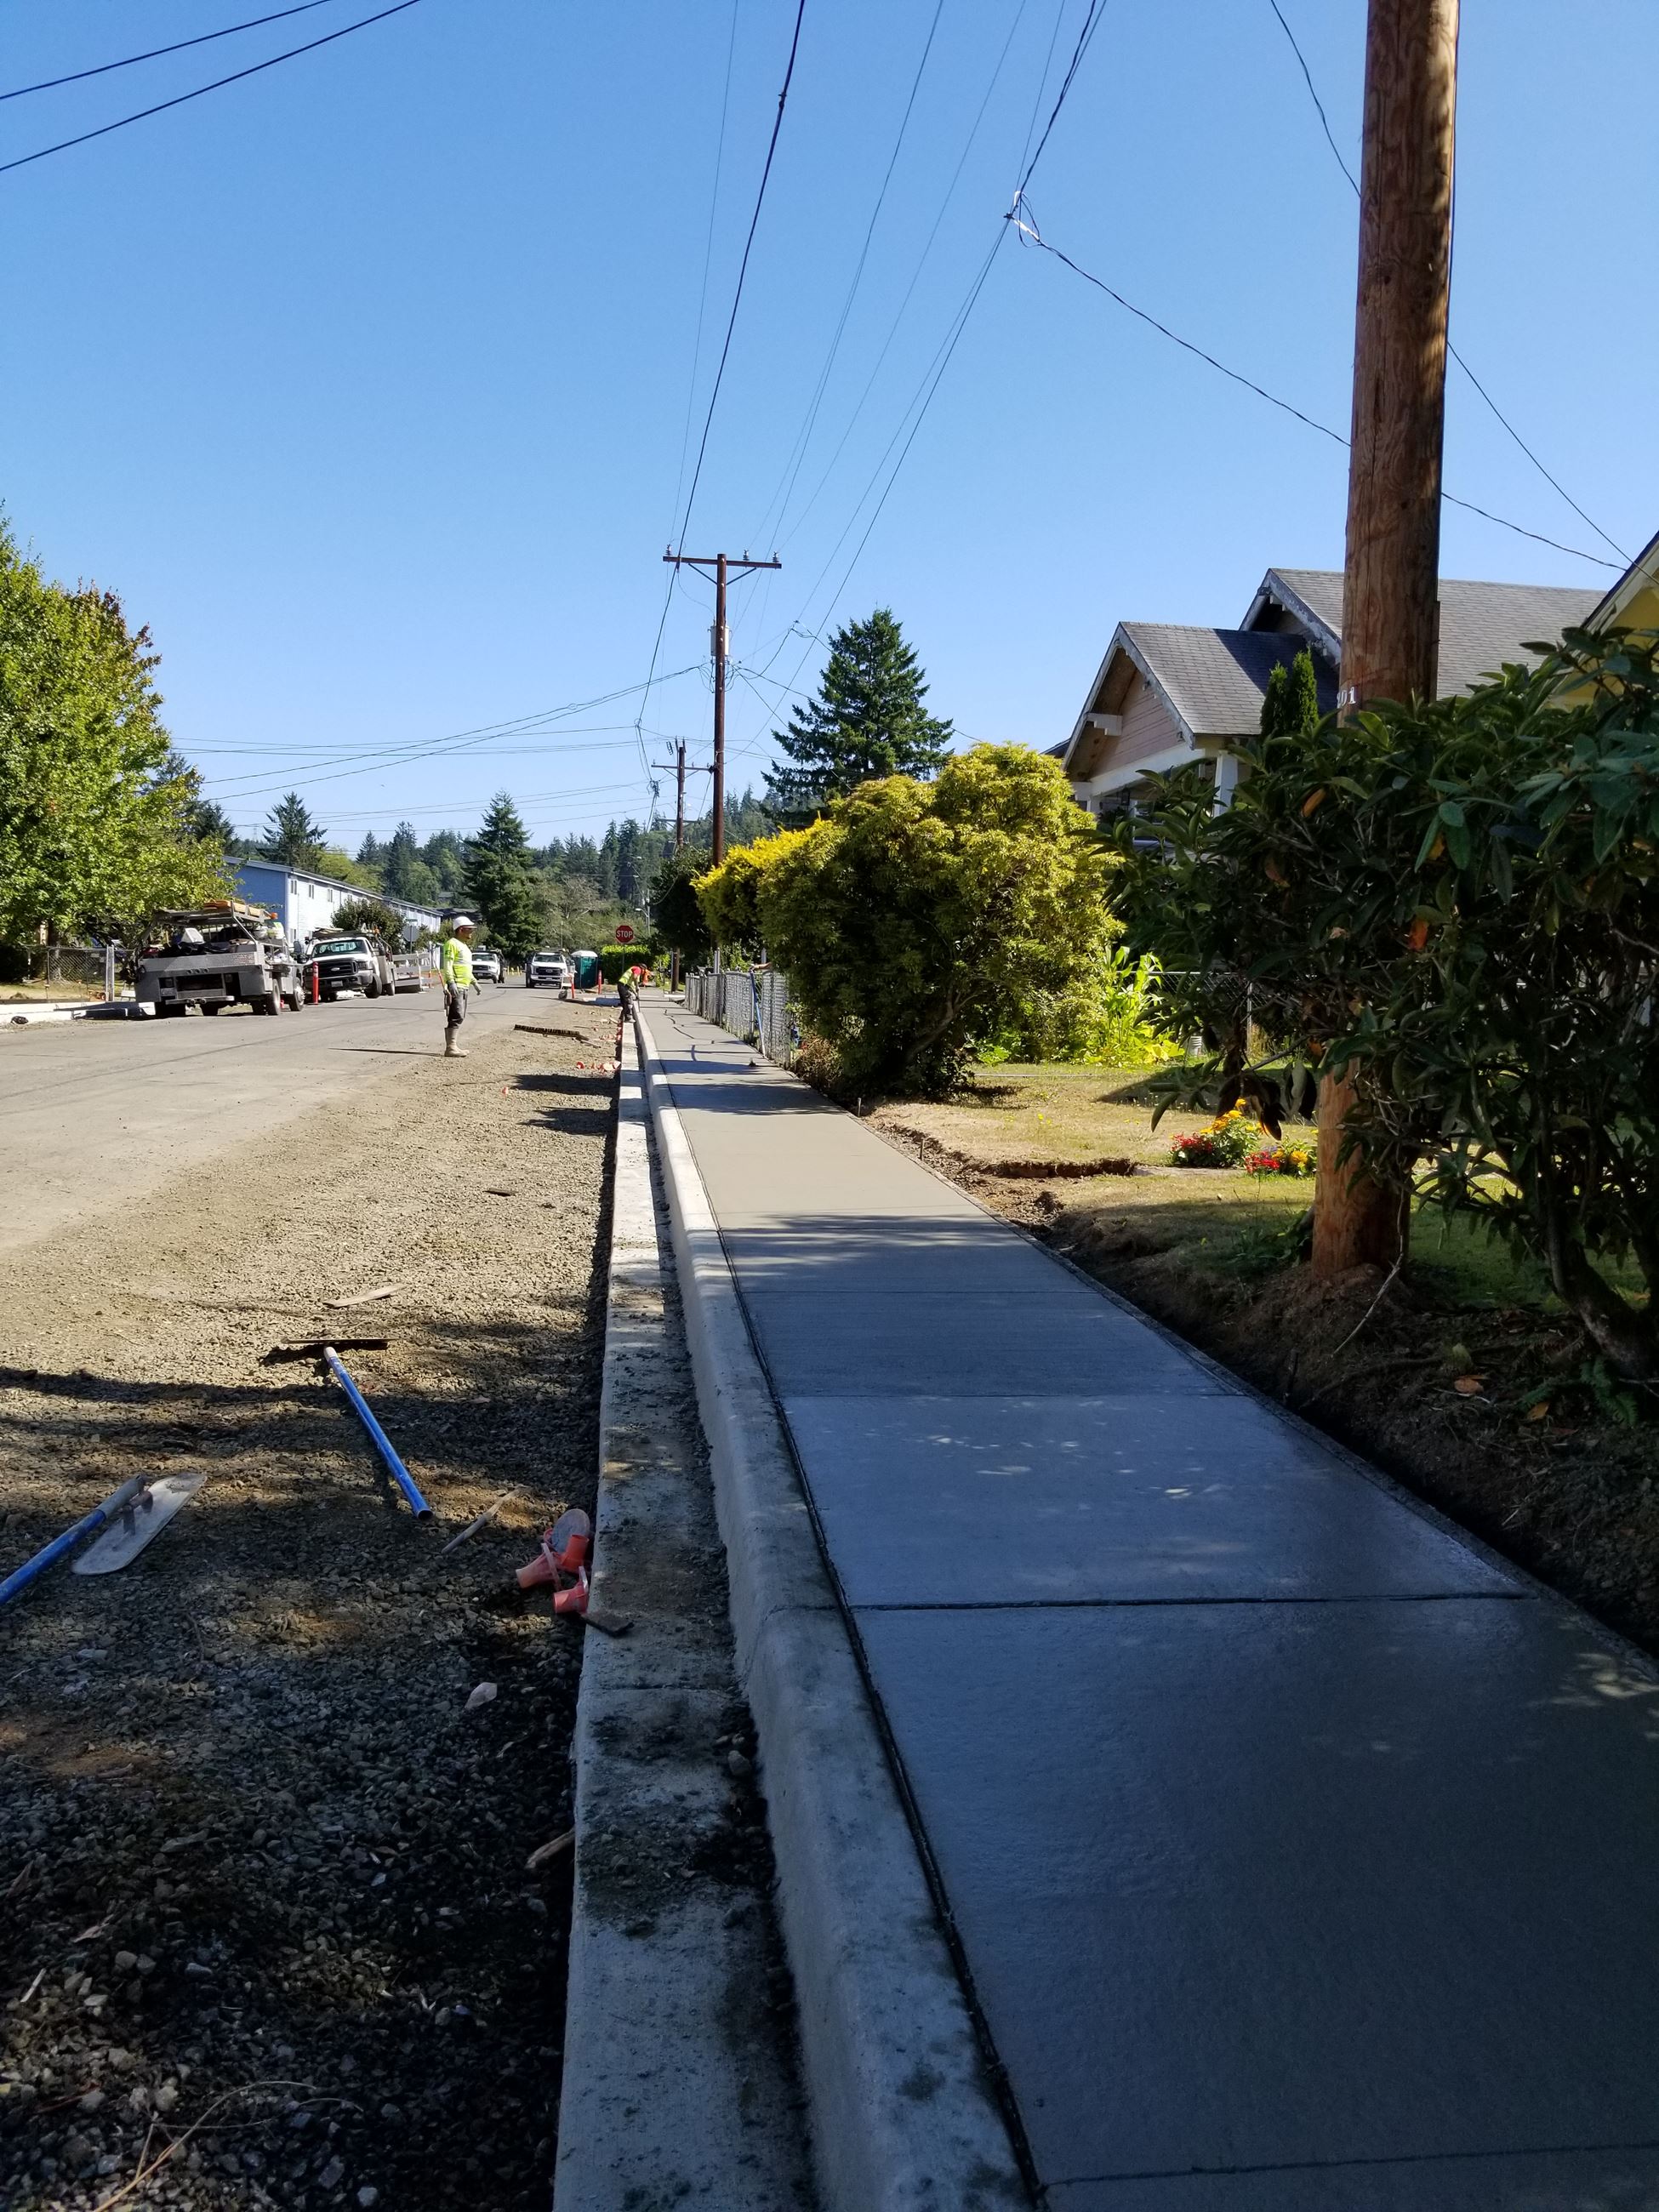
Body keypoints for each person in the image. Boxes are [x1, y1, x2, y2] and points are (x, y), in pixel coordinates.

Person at [439, 915, 478, 1058]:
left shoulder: (464, 946)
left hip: (464, 985)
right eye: (469, 929)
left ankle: (453, 1046)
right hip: (457, 985)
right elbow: (448, 965)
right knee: (456, 1015)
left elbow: (465, 967)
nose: (471, 932)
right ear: (461, 930)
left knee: (460, 1015)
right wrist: (451, 982)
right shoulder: (452, 944)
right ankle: (451, 1047)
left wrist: (474, 982)